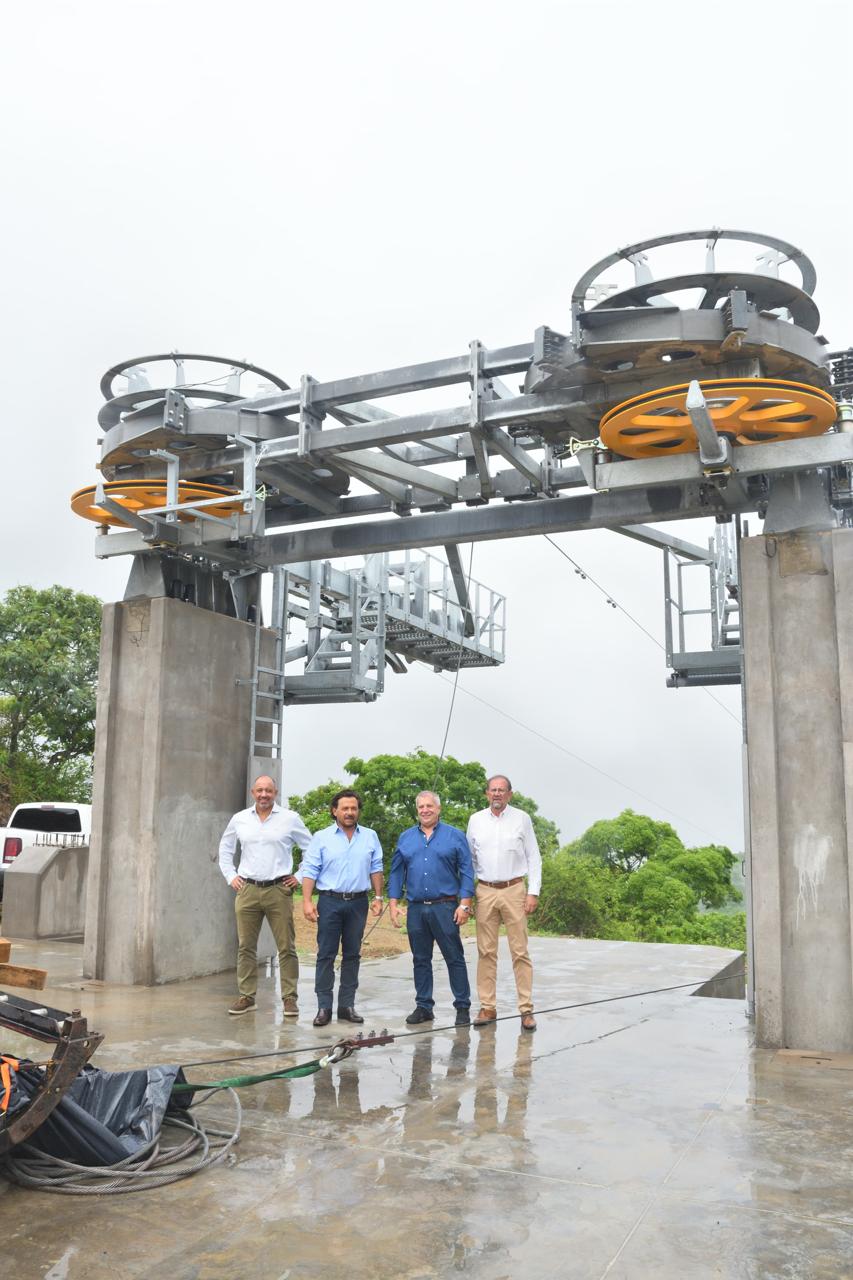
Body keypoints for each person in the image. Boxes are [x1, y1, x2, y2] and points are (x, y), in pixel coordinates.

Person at [218, 775, 312, 1018]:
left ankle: (290, 998)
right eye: (259, 790)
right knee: (246, 947)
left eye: (268, 791)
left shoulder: (290, 819)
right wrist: (231, 876)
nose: (263, 795)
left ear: (275, 792)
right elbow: (225, 849)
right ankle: (247, 997)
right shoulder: (240, 819)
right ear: (253, 792)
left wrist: (299, 877)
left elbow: (311, 849)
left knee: (286, 947)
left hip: (278, 889)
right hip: (247, 889)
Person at [388, 790, 474, 1027]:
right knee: (420, 959)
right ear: (417, 810)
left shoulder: (455, 836)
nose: (425, 810)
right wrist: (393, 904)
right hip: (416, 909)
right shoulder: (406, 838)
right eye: (421, 807)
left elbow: (467, 871)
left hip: (445, 907)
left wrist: (465, 904)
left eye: (429, 806)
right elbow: (396, 872)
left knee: (454, 957)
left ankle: (462, 1007)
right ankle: (424, 1006)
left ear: (438, 809)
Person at [300, 790, 384, 1027]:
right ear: (334, 811)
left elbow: (376, 867)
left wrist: (378, 896)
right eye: (345, 808)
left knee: (352, 955)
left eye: (353, 808)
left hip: (358, 903)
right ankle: (324, 1007)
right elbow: (310, 870)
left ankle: (346, 1006)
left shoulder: (370, 836)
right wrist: (307, 901)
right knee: (326, 954)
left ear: (358, 811)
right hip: (330, 902)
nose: (349, 812)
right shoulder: (322, 837)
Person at [466, 774, 541, 1032]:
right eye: (492, 790)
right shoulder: (475, 820)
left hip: (514, 889)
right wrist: (469, 893)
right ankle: (487, 1006)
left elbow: (534, 856)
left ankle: (526, 1009)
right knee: (486, 951)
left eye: (502, 790)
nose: (497, 794)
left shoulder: (522, 818)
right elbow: (470, 859)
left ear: (510, 794)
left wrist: (534, 892)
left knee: (520, 951)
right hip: (485, 890)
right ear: (486, 794)